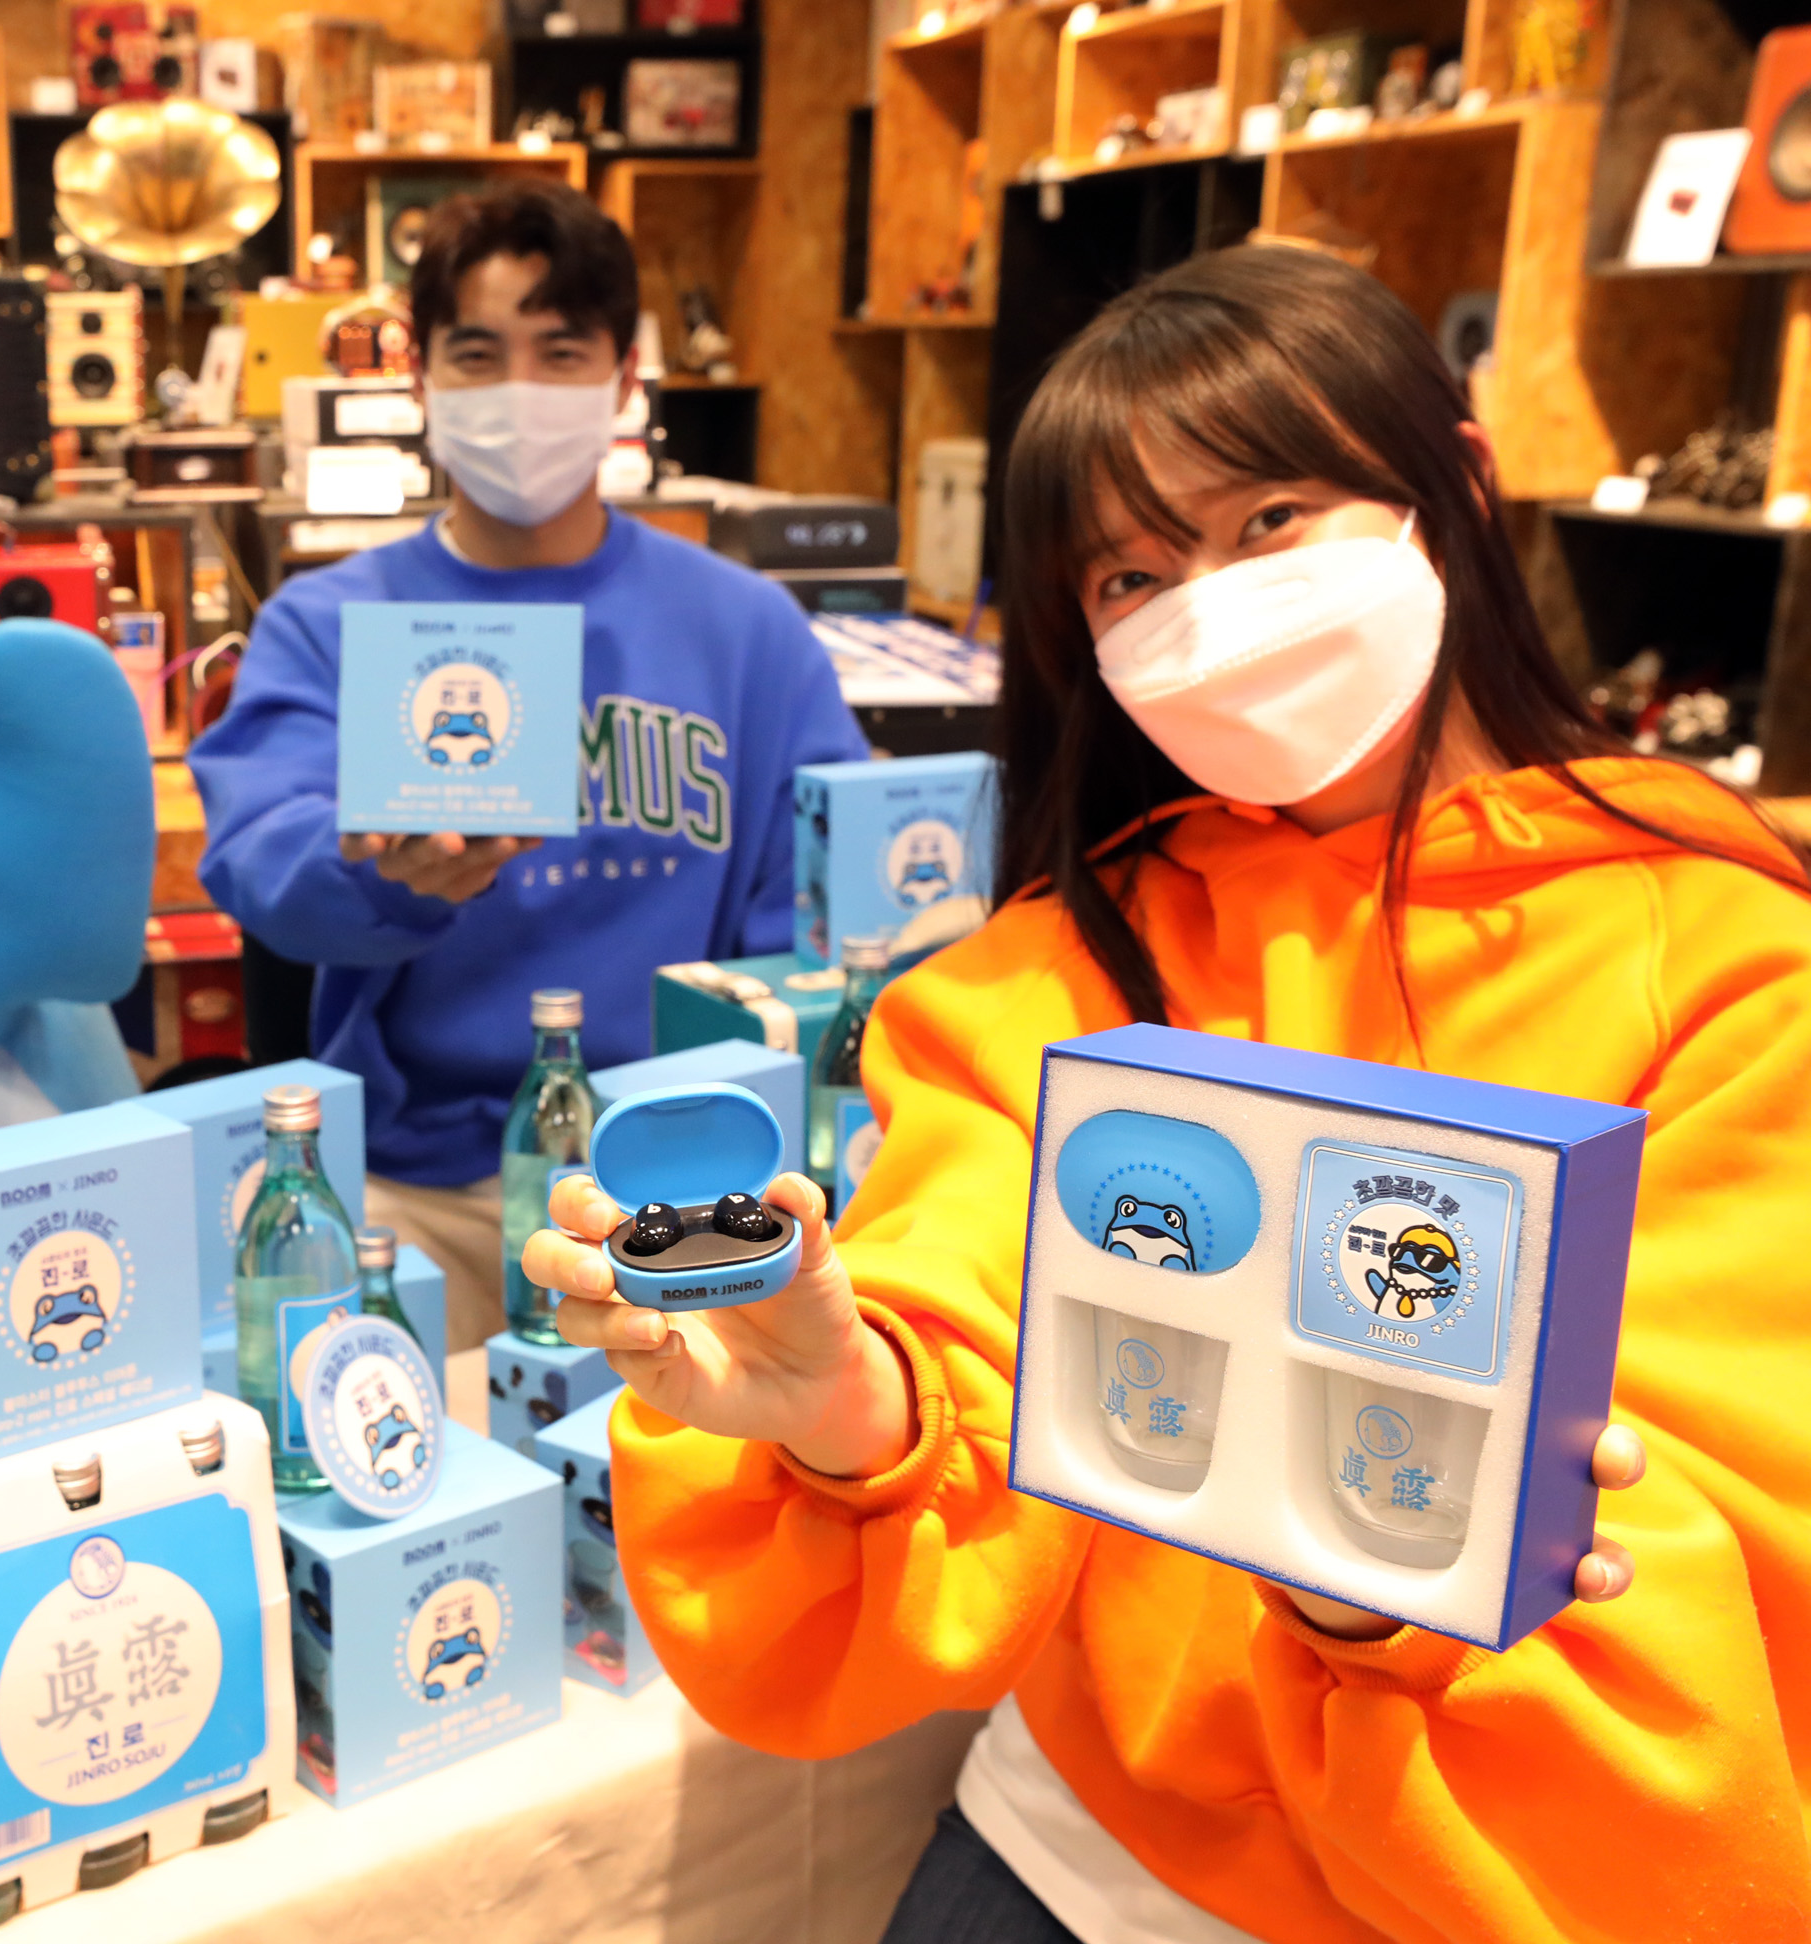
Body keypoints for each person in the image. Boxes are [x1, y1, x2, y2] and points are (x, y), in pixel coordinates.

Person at [527, 244, 1811, 1940]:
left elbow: (1734, 1502)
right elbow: (955, 1294)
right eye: (1133, 574)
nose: (1210, 607)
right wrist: (850, 1411)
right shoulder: (1066, 958)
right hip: (1073, 1842)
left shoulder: (1731, 964)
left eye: (1270, 518)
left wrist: (1371, 1583)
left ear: (1454, 482)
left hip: (1473, 1886)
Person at [191, 179, 868, 1348]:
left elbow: (820, 913)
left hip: (690, 1165)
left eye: (561, 352)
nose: (519, 391)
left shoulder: (746, 629)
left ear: (623, 379)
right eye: (477, 353)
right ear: (419, 381)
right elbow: (257, 856)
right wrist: (376, 872)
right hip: (420, 1185)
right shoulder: (330, 622)